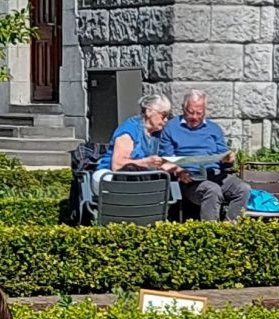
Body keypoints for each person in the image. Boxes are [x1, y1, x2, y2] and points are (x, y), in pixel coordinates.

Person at [79, 88, 175, 217]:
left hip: (142, 177)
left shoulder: (160, 133)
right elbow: (118, 165)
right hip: (112, 174)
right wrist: (146, 162)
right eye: (164, 115)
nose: (166, 120)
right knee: (131, 169)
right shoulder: (129, 130)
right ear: (149, 111)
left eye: (168, 116)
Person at [160, 88, 246, 220]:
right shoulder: (171, 127)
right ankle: (209, 234)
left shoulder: (214, 129)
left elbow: (224, 156)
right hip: (190, 179)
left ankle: (229, 231)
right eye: (191, 112)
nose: (195, 117)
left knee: (242, 188)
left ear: (205, 111)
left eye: (199, 113)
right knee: (212, 190)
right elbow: (165, 159)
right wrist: (179, 171)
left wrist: (228, 159)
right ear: (183, 108)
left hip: (215, 174)